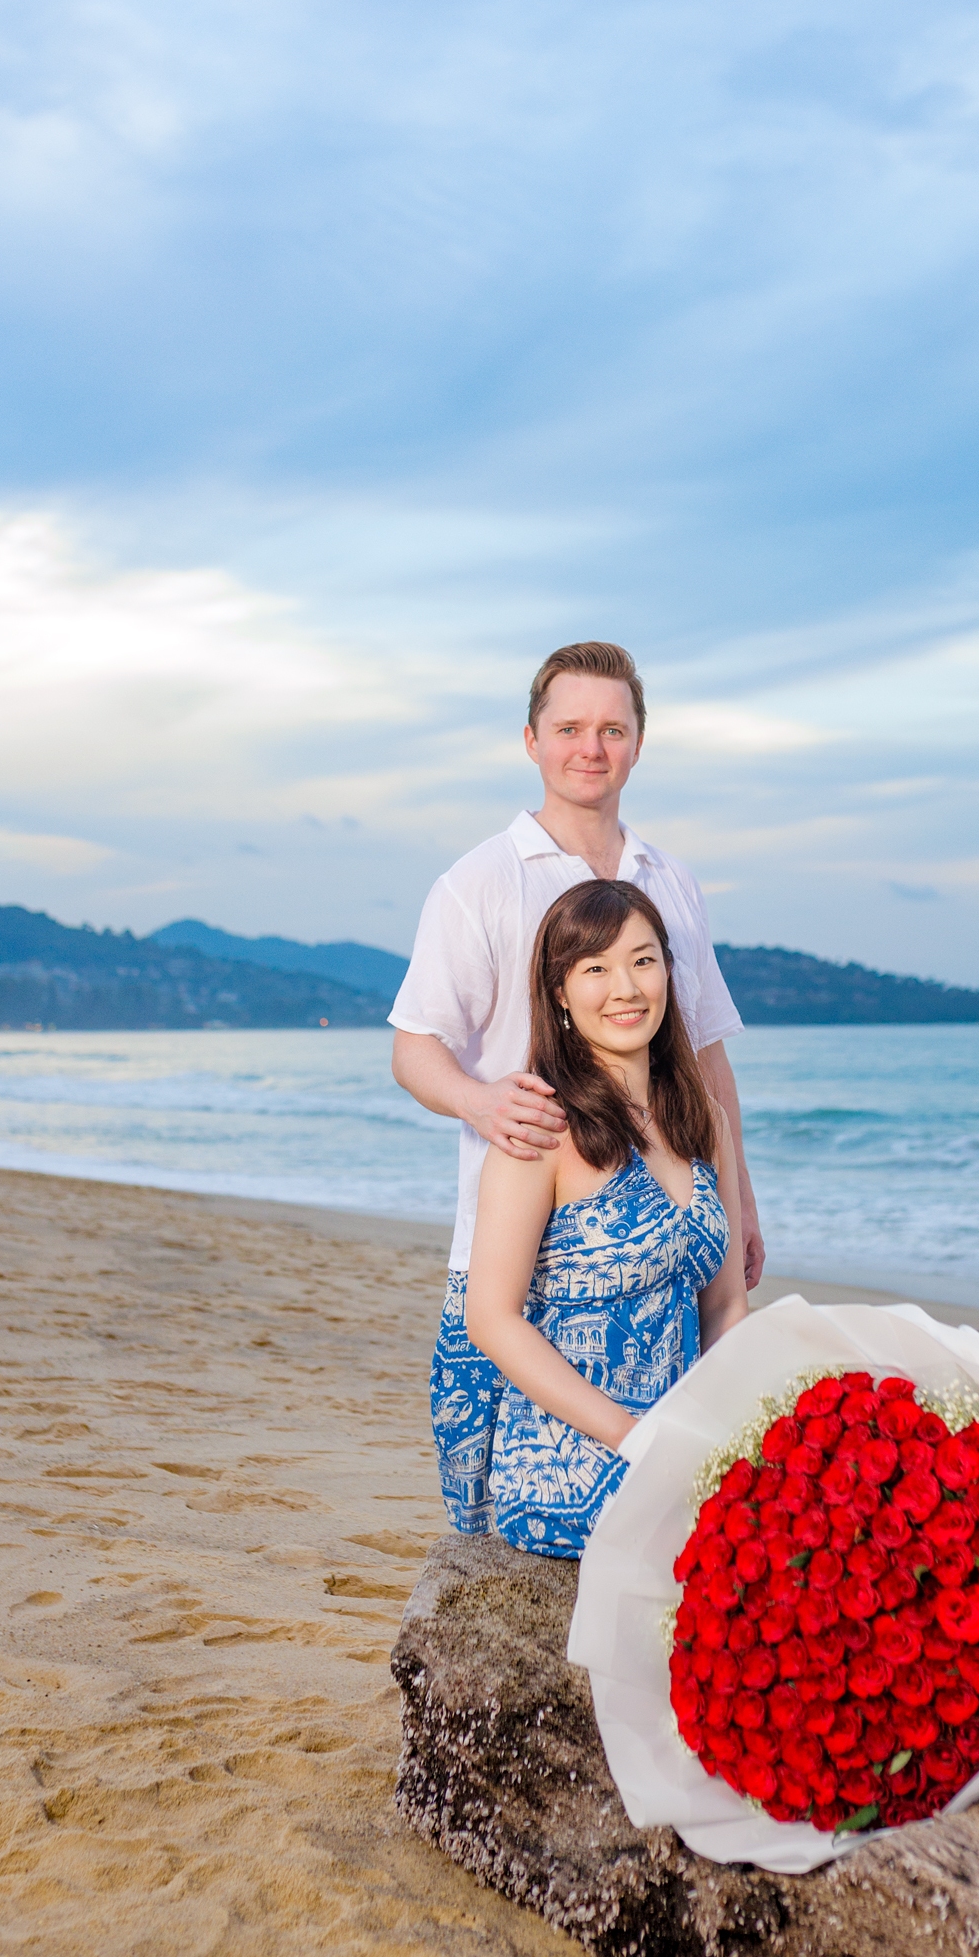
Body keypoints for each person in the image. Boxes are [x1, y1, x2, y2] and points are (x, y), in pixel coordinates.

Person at [389, 638, 764, 1533]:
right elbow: (414, 1048)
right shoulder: (478, 883)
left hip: (659, 1227)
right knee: (490, 1520)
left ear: (638, 743)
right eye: (568, 728)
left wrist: (740, 1201)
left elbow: (707, 1056)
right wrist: (483, 1103)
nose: (589, 748)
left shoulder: (670, 882)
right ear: (531, 739)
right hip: (521, 1228)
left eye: (611, 729)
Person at [462, 880, 747, 1554]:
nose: (626, 987)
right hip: (571, 1461)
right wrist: (634, 1436)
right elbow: (491, 1316)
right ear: (559, 992)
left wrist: (722, 1434)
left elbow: (727, 1304)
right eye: (595, 968)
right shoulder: (544, 1128)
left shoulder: (702, 1119)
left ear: (670, 975)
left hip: (679, 1450)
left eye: (643, 961)